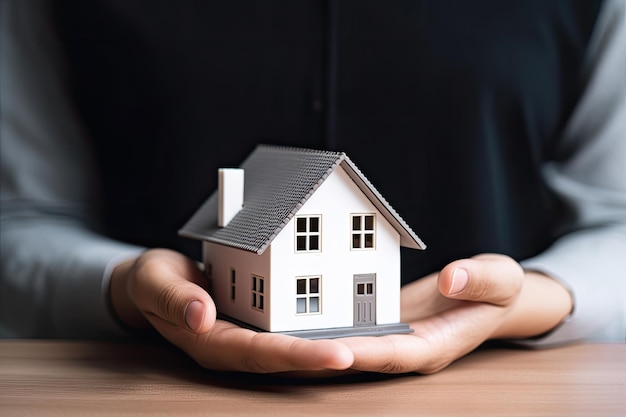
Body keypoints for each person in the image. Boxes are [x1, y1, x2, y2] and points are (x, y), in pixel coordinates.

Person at [1, 0, 624, 375]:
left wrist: (538, 299)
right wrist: (124, 285)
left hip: (504, 394)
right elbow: (22, 217)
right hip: (140, 388)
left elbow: (615, 219)